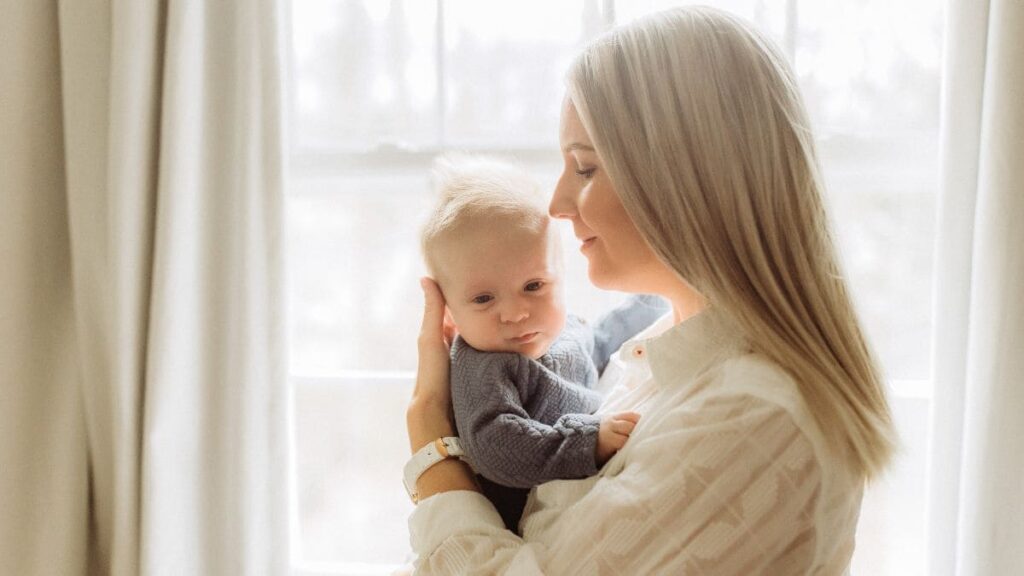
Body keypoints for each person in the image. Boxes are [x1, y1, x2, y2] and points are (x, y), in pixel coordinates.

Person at [405, 6, 897, 574]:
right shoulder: (652, 355)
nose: (557, 205)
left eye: (585, 169)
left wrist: (432, 445)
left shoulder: (751, 415)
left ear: (684, 178)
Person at [417, 155, 669, 533]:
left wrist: (653, 296)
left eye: (534, 286)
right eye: (484, 299)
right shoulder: (485, 366)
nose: (516, 313)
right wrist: (586, 442)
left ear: (560, 277)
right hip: (509, 535)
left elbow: (599, 344)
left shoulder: (563, 330)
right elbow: (497, 445)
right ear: (449, 315)